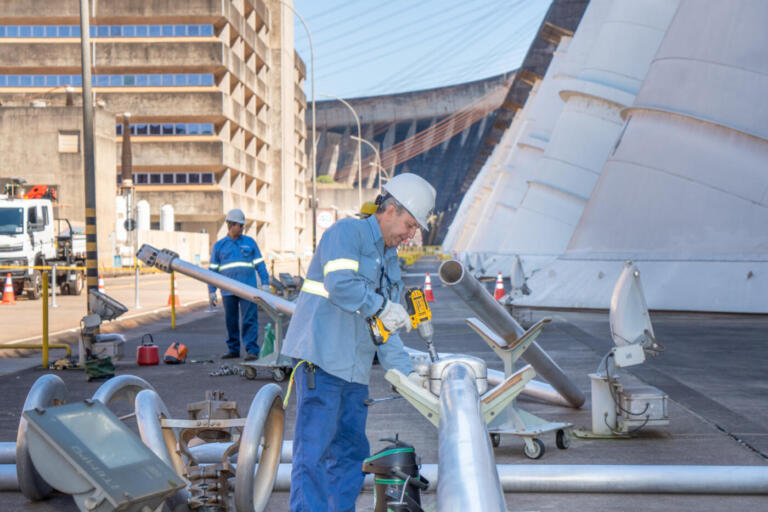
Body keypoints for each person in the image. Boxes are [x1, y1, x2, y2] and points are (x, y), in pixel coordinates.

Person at [282, 173, 436, 511]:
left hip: (354, 370)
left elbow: (386, 326)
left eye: (414, 229)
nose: (411, 234)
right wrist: (382, 306)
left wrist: (406, 376)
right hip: (321, 361)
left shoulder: (390, 260)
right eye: (409, 225)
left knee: (351, 452)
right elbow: (342, 286)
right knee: (316, 452)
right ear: (391, 209)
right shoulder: (345, 233)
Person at [208, 208, 270, 361]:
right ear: (231, 225)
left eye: (243, 226)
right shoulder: (219, 246)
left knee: (250, 319)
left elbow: (260, 265)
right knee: (231, 320)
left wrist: (266, 283)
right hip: (228, 291)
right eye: (240, 225)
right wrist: (211, 291)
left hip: (248, 289)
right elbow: (212, 271)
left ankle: (252, 350)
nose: (242, 228)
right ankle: (233, 349)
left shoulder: (250, 243)